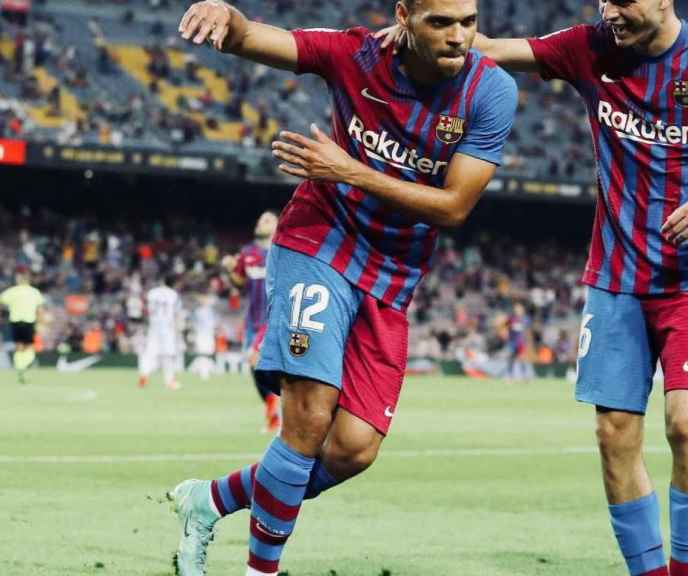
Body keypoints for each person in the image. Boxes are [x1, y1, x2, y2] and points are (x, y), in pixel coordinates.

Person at [382, 2, 688, 573]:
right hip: (614, 276)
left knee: (685, 422)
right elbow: (502, 49)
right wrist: (414, 35)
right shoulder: (590, 47)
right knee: (614, 433)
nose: (610, 10)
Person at [168, 1, 517, 575]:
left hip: (393, 272)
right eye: (440, 22)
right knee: (307, 417)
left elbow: (455, 207)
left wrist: (349, 169)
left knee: (353, 448)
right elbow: (256, 36)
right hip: (320, 242)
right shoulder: (356, 54)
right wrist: (226, 17)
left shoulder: (491, 91)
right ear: (404, 14)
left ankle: (209, 501)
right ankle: (261, 571)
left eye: (469, 21)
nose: (459, 37)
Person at [222, 211, 279, 431]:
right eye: (259, 219)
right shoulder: (248, 253)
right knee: (254, 367)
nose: (260, 222)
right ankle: (272, 410)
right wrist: (229, 271)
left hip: (272, 318)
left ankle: (275, 410)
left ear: (277, 225)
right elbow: (239, 284)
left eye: (266, 220)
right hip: (252, 320)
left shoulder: (282, 252)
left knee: (256, 360)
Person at [1, 267, 45, 384]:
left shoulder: (12, 291)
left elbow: (1, 302)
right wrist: (40, 324)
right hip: (29, 321)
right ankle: (24, 366)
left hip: (15, 321)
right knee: (29, 346)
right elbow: (40, 310)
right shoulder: (34, 292)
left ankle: (20, 367)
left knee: (19, 346)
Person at [139, 275, 182, 390]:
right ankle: (169, 381)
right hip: (167, 327)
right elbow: (176, 313)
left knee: (149, 353)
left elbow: (146, 309)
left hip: (154, 326)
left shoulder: (152, 292)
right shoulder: (174, 294)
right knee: (168, 355)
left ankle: (143, 378)